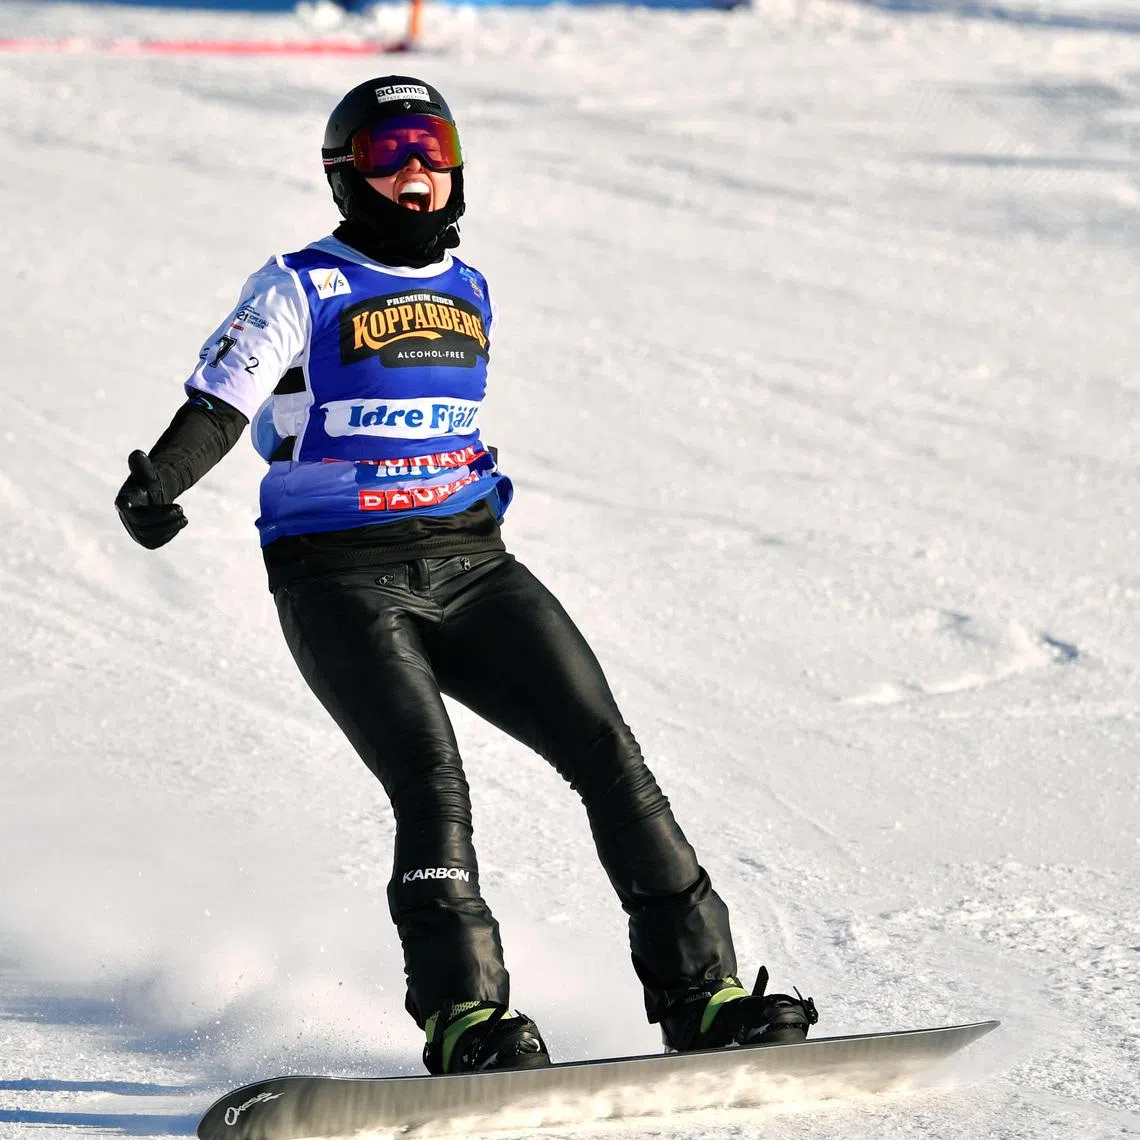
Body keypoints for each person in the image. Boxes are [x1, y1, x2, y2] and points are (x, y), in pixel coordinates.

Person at [114, 75, 818, 1076]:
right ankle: (466, 1021)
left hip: (473, 566)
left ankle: (702, 998)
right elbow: (222, 401)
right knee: (431, 784)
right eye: (389, 151)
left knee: (608, 753)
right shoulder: (299, 285)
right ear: (344, 174)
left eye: (432, 150)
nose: (415, 171)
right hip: (338, 580)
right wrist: (162, 484)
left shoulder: (469, 287)